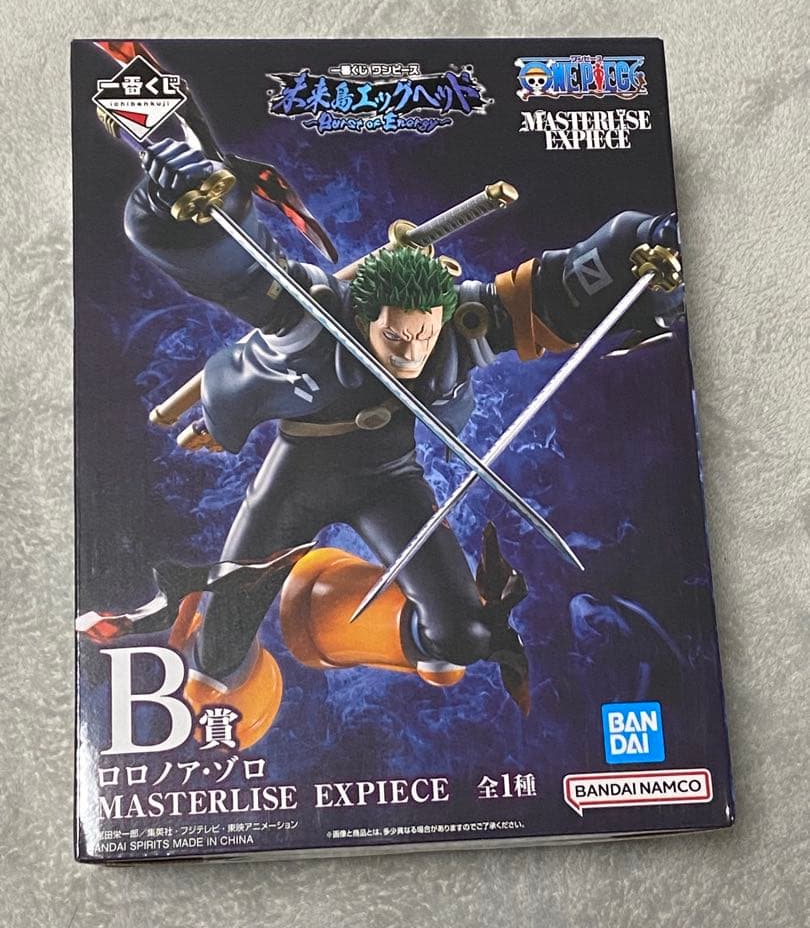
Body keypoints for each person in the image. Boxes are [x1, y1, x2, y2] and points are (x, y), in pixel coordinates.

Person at [89, 137, 680, 747]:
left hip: (388, 480)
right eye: (396, 338)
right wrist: (186, 211)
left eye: (425, 336)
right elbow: (243, 271)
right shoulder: (312, 315)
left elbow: (546, 295)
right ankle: (266, 643)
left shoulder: (455, 327)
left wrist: (629, 254)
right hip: (296, 478)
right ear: (366, 315)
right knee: (216, 657)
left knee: (462, 639)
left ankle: (320, 608)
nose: (412, 353)